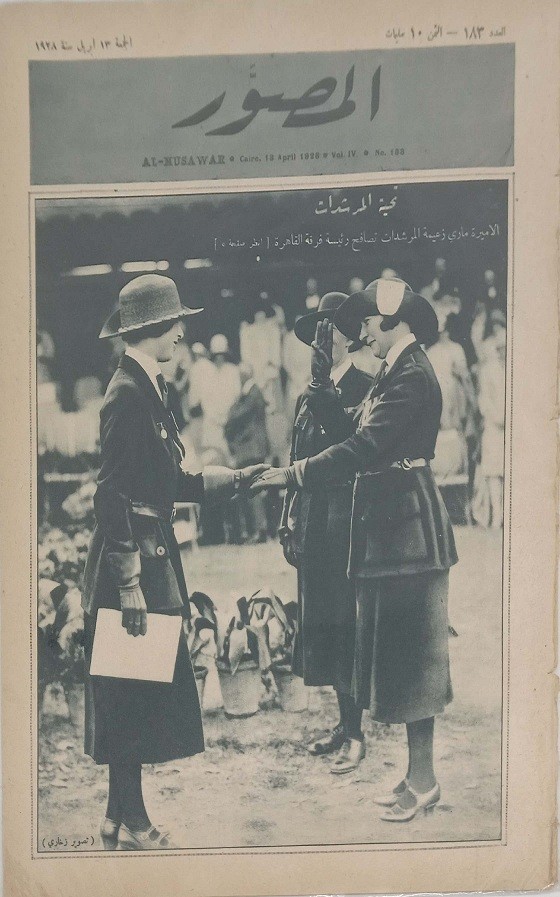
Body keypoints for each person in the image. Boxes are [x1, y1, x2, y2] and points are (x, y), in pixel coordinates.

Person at [253, 277, 458, 821]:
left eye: (367, 322)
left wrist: (293, 473)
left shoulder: (410, 375)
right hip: (395, 529)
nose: (362, 332)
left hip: (410, 533)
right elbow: (354, 431)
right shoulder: (397, 369)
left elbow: (364, 446)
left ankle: (424, 781)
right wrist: (323, 392)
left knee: (414, 660)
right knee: (402, 658)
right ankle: (417, 776)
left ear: (392, 322)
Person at [82, 275, 267, 850]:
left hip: (149, 552)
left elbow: (170, 481)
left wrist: (238, 480)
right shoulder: (127, 394)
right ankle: (136, 822)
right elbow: (110, 494)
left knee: (131, 686)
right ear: (152, 329)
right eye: (175, 323)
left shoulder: (146, 386)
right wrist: (129, 582)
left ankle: (115, 817)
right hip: (133, 561)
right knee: (133, 692)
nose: (183, 333)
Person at [279, 292, 373, 773]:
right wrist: (287, 517)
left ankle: (356, 732)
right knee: (325, 623)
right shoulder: (304, 396)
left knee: (346, 623)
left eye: (328, 330)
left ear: (347, 336)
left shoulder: (364, 388)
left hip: (347, 522)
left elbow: (347, 446)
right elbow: (296, 460)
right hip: (315, 520)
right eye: (316, 333)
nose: (320, 341)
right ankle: (343, 723)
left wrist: (321, 385)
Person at [224, 362, 270, 543]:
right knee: (250, 490)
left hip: (252, 448)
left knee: (253, 490)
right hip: (249, 448)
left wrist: (230, 416)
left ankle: (260, 530)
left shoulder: (253, 393)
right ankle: (257, 529)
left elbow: (238, 415)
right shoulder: (247, 394)